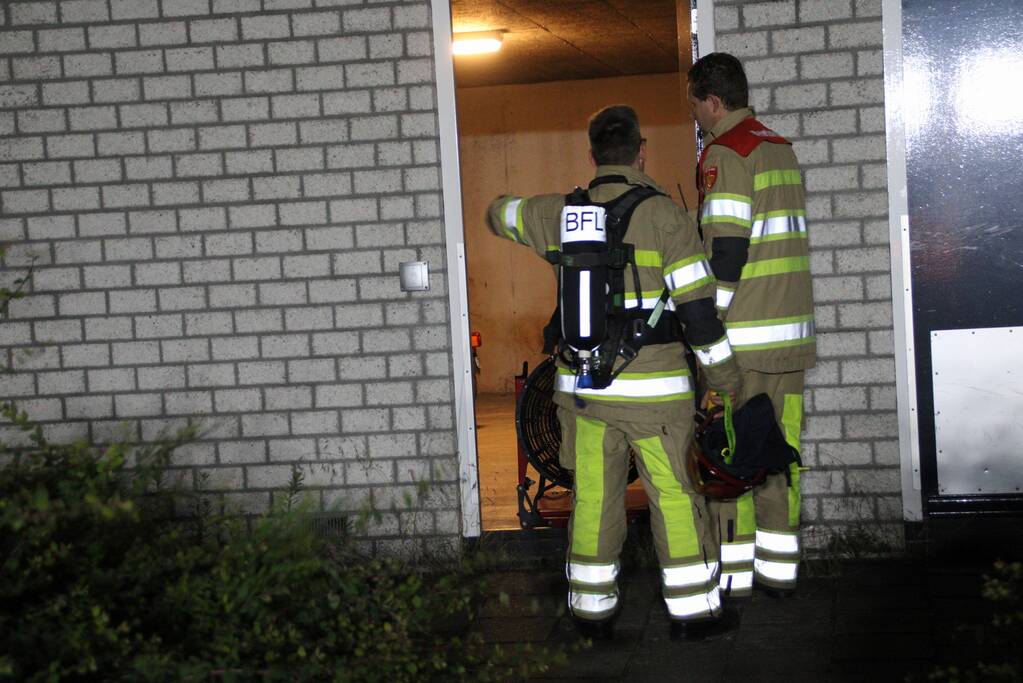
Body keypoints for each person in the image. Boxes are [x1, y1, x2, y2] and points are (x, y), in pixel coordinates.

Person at [486, 105, 742, 635]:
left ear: (592, 155)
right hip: (656, 399)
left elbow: (497, 215)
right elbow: (698, 315)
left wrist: (513, 208)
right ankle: (693, 612)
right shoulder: (666, 217)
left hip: (584, 395)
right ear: (641, 152)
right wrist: (725, 383)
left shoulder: (561, 213)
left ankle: (591, 611)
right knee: (674, 496)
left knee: (594, 500)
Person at [686, 53, 816, 598]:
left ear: (714, 102)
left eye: (695, 105)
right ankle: (780, 573)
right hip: (790, 339)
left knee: (732, 455)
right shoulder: (778, 147)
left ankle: (734, 578)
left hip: (745, 343)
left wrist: (706, 326)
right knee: (781, 455)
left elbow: (728, 252)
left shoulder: (726, 152)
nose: (695, 116)